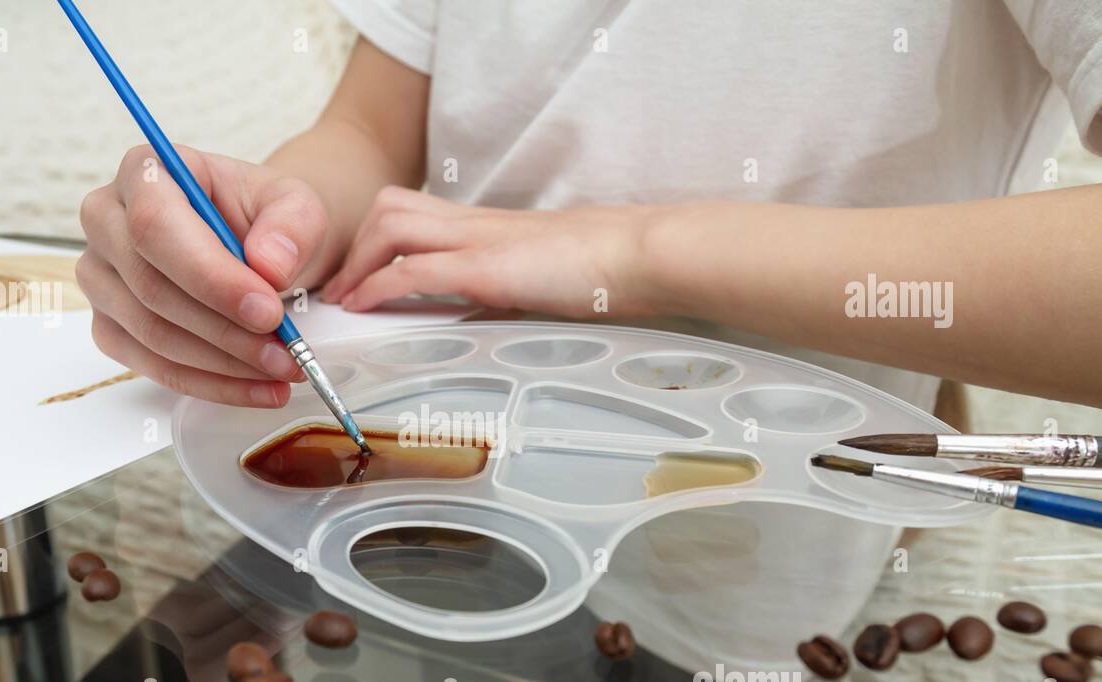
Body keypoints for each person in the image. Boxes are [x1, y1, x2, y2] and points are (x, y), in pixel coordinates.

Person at [76, 1, 1102, 412]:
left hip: (753, 533)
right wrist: (282, 218)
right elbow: (367, 133)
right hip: (423, 452)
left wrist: (643, 250)